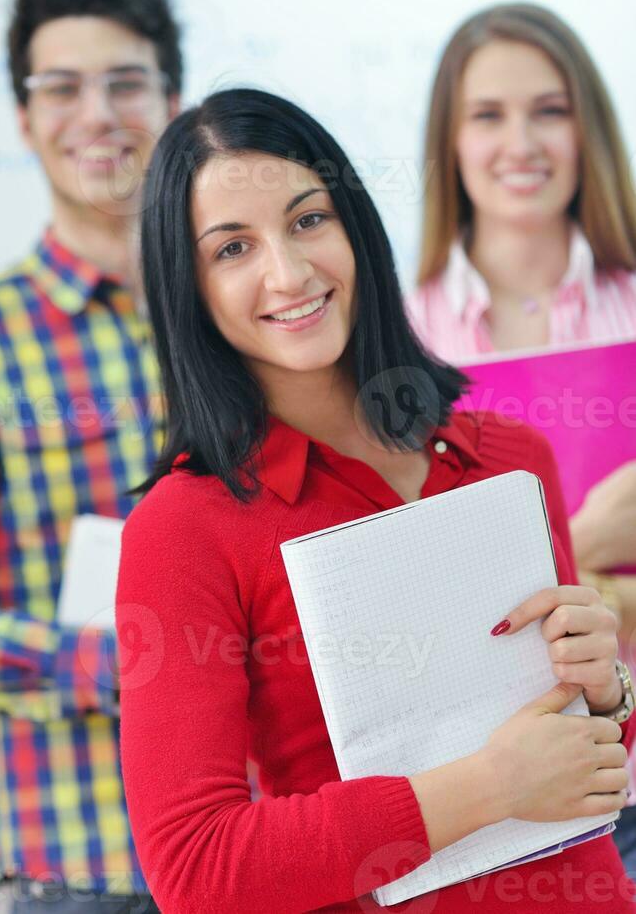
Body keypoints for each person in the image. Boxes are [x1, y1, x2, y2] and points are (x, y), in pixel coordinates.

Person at [116, 87, 635, 913]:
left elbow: (581, 755)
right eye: (232, 248)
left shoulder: (508, 457)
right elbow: (196, 871)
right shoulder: (182, 530)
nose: (287, 272)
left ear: (354, 225)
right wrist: (490, 785)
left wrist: (606, 690)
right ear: (191, 290)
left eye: (308, 220)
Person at [404, 2, 636, 873]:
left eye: (550, 110)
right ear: (450, 142)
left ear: (589, 128)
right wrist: (586, 541)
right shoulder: (392, 336)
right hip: (491, 796)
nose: (521, 143)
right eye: (488, 115)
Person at [0, 0, 181, 911]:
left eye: (126, 82)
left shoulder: (257, 314)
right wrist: (130, 664)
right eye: (61, 87)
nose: (96, 113)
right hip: (84, 856)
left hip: (280, 828)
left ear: (173, 102)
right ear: (23, 119)